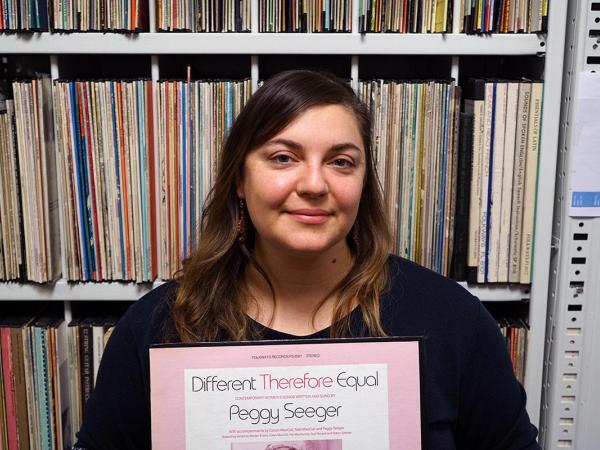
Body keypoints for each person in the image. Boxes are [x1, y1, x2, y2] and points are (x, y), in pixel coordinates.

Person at [73, 70, 541, 449]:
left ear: (362, 181)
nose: (314, 184)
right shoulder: (157, 324)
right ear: (239, 179)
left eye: (341, 162)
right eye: (283, 158)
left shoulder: (450, 317)